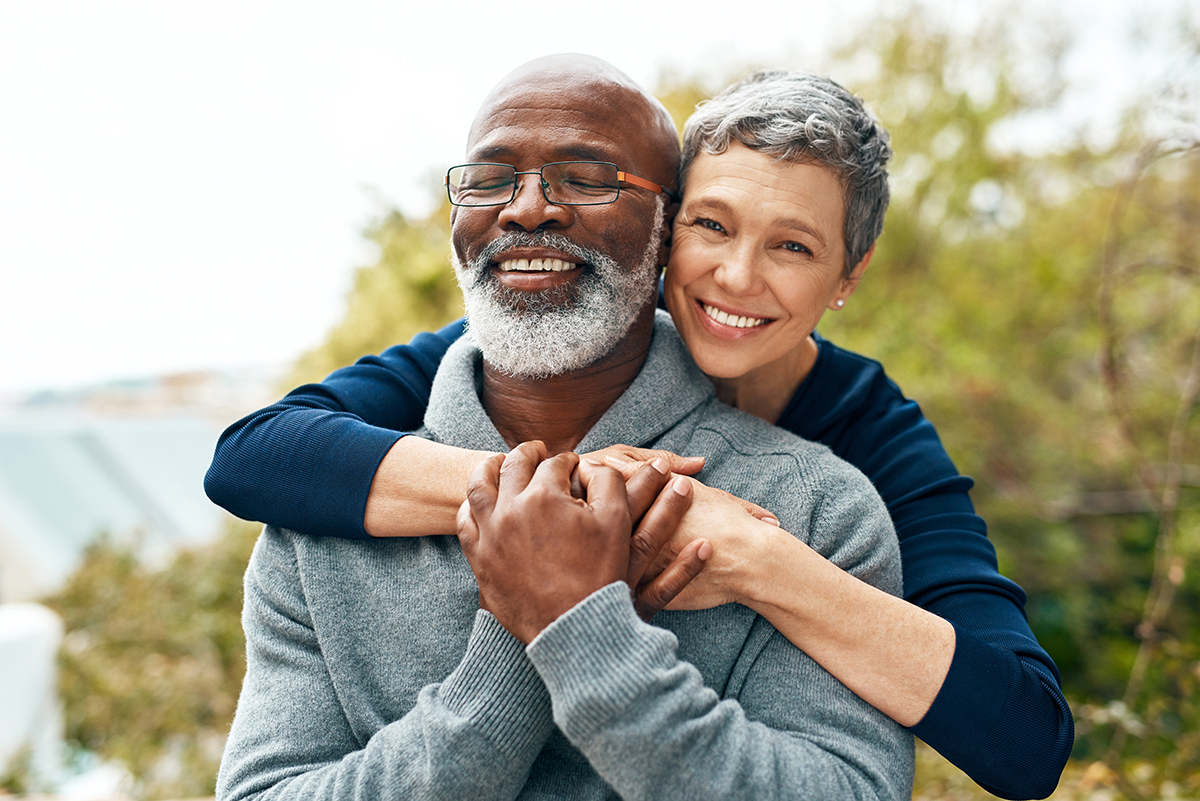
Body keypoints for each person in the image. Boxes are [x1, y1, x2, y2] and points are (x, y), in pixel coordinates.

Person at [207, 69, 1073, 799]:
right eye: (714, 225)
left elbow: (1022, 738)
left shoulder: (851, 474)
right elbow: (252, 452)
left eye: (794, 247)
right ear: (672, 239)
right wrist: (550, 515)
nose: (736, 274)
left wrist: (756, 562)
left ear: (849, 275)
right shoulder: (344, 487)